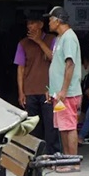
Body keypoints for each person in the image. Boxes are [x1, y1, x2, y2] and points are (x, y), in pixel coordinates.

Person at [13, 14, 59, 153]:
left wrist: (39, 42)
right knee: (32, 127)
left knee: (51, 125)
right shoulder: (23, 43)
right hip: (29, 91)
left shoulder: (52, 39)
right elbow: (20, 69)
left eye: (32, 23)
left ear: (40, 24)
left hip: (48, 90)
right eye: (28, 23)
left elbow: (54, 59)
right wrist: (21, 92)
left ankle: (52, 155)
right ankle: (34, 156)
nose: (29, 26)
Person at [45, 6, 83, 156]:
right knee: (63, 126)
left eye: (50, 20)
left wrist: (64, 90)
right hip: (60, 94)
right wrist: (52, 89)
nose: (48, 23)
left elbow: (70, 64)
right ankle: (66, 159)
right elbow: (58, 65)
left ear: (58, 21)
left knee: (69, 126)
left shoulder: (69, 37)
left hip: (67, 93)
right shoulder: (60, 38)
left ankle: (72, 161)